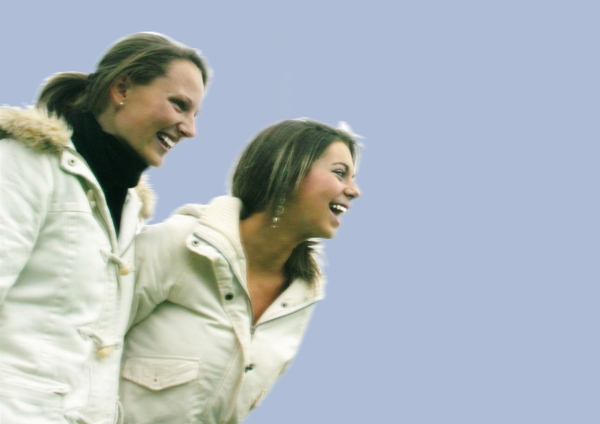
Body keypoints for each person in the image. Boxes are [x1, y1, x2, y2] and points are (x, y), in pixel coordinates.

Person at [0, 32, 210, 423]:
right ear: (122, 89)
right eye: (179, 105)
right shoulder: (23, 164)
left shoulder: (128, 205)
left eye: (195, 114)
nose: (189, 128)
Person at [119, 119, 362, 423]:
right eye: (340, 173)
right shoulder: (179, 245)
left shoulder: (301, 296)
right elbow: (84, 342)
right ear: (287, 173)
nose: (354, 191)